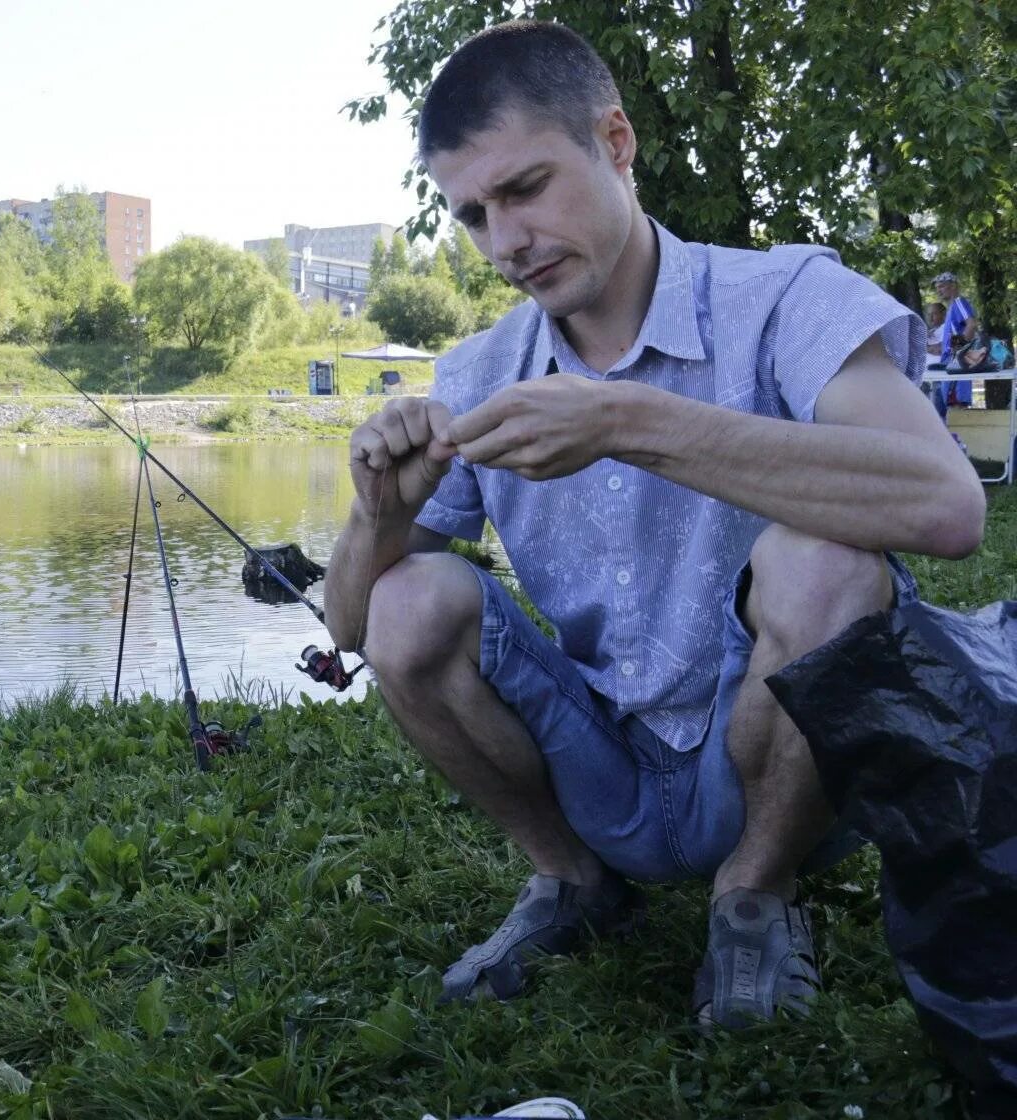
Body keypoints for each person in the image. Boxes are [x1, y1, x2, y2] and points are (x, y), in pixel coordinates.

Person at [325, 21, 985, 1032]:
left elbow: (947, 503)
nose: (506, 244)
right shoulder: (478, 374)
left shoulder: (784, 299)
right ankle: (573, 880)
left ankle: (756, 892)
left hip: (774, 754)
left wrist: (632, 421)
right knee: (409, 601)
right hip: (604, 762)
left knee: (825, 564)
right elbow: (345, 624)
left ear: (617, 143)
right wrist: (380, 515)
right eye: (472, 214)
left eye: (527, 188)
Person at [934, 272, 976, 406]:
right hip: (949, 364)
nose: (938, 290)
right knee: (950, 411)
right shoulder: (952, 307)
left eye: (941, 286)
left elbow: (971, 324)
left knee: (956, 409)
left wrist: (959, 352)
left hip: (956, 366)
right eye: (937, 288)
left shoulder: (959, 302)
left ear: (953, 286)